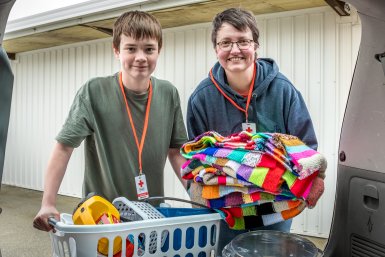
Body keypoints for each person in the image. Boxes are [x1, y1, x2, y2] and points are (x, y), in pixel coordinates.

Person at [33, 10, 188, 231]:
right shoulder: (94, 91)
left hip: (151, 216)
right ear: (116, 50)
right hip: (101, 218)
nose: (141, 57)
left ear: (159, 50)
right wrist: (47, 203)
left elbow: (176, 152)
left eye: (149, 49)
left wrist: (198, 195)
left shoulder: (168, 93)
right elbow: (64, 147)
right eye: (131, 48)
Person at [186, 7, 324, 252]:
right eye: (226, 42)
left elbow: (306, 146)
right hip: (224, 210)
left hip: (276, 208)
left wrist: (316, 178)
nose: (235, 50)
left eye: (243, 41)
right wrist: (196, 192)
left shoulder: (283, 91)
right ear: (216, 49)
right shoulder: (201, 98)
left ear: (256, 45)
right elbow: (195, 158)